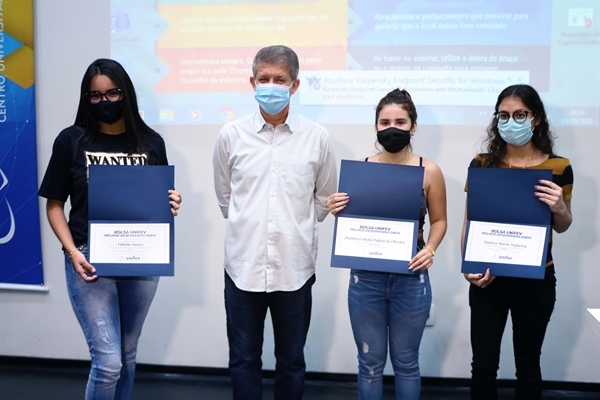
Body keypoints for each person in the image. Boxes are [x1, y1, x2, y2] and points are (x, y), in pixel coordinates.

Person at [38, 58, 182, 400]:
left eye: (113, 93)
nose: (105, 102)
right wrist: (72, 252)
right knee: (107, 362)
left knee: (127, 355)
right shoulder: (71, 141)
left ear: (126, 94)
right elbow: (55, 205)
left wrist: (170, 204)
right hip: (88, 259)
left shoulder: (151, 143)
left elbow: (156, 206)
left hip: (142, 258)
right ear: (86, 100)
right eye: (96, 96)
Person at [212, 45, 337, 400]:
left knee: (292, 361)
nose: (271, 86)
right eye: (264, 79)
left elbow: (324, 199)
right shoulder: (230, 136)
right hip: (242, 265)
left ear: (295, 85)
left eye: (280, 79)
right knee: (243, 359)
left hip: (294, 268)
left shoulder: (318, 138)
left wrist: (292, 226)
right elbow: (226, 198)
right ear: (252, 82)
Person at [328, 89, 447, 400]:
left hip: (411, 276)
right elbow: (352, 221)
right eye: (384, 121)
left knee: (407, 363)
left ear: (414, 125)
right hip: (365, 278)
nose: (392, 127)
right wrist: (335, 206)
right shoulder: (360, 168)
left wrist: (430, 249)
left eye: (400, 121)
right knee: (369, 363)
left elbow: (440, 221)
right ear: (376, 126)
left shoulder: (429, 169)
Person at [462, 84, 573, 400]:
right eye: (504, 115)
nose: (511, 121)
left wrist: (560, 208)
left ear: (535, 118)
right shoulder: (482, 164)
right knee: (483, 367)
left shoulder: (559, 167)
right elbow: (471, 221)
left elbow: (563, 225)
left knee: (528, 366)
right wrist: (468, 267)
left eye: (520, 114)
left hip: (535, 280)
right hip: (487, 278)